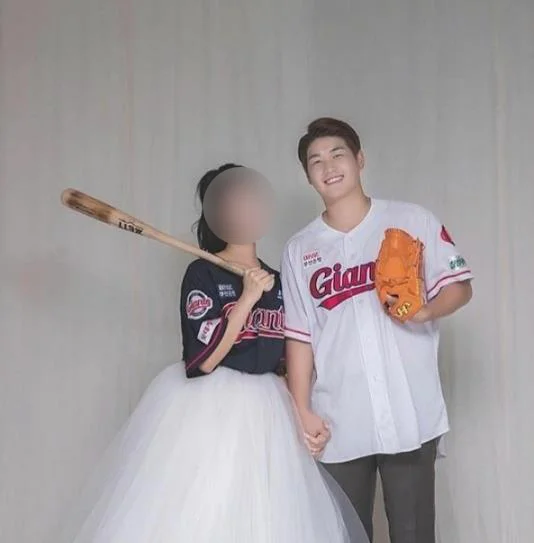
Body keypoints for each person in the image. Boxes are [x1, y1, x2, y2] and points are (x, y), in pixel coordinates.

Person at [56, 163, 368, 543]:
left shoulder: (280, 281)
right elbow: (204, 361)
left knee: (272, 515)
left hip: (271, 411)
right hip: (212, 408)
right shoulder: (202, 274)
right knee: (209, 510)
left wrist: (303, 413)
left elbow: (290, 361)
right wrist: (247, 298)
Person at [281, 118, 473, 543]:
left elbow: (460, 288)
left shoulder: (410, 220)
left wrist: (425, 311)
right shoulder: (299, 249)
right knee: (344, 533)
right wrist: (301, 409)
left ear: (360, 159)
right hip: (338, 414)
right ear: (308, 176)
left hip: (409, 407)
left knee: (413, 533)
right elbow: (299, 337)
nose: (328, 166)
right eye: (316, 161)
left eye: (338, 154)